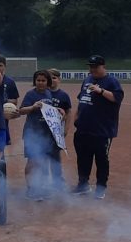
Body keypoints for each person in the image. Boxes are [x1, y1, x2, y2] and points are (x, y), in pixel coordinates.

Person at [72, 55, 124, 199]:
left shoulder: (112, 81)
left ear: (103, 66)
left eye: (95, 67)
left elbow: (117, 98)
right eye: (90, 66)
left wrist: (100, 91)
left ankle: (101, 188)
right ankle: (83, 185)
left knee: (101, 160)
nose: (92, 69)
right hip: (83, 128)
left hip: (102, 130)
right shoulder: (87, 79)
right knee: (83, 158)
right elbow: (82, 99)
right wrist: (77, 115)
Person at [19, 70, 61, 199]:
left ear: (48, 82)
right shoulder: (31, 94)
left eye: (43, 80)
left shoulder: (49, 93)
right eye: (38, 80)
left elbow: (50, 111)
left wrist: (58, 111)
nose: (40, 83)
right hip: (32, 133)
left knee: (42, 161)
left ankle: (40, 186)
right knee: (33, 161)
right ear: (35, 81)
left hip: (46, 134)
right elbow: (21, 110)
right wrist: (32, 107)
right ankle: (31, 188)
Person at [47, 68, 72, 190]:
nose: (52, 80)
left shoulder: (63, 95)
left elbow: (68, 112)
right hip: (42, 131)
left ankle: (57, 181)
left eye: (54, 78)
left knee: (55, 157)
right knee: (41, 157)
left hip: (56, 132)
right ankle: (42, 181)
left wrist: (66, 129)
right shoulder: (42, 92)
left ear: (59, 79)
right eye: (49, 78)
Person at [0, 55, 20, 146]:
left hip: (3, 118)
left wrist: (4, 102)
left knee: (1, 144)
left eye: (0, 65)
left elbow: (15, 101)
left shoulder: (10, 82)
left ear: (5, 66)